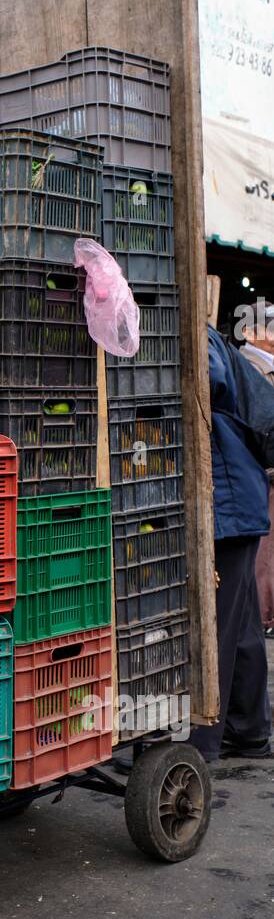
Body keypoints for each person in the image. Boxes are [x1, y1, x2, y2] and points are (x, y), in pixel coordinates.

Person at [188, 325, 274, 763]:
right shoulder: (208, 335)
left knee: (215, 624)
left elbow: (209, 382)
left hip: (227, 502)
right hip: (238, 498)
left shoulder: (194, 335)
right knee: (240, 624)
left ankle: (201, 742)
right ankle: (249, 730)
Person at [239, 304, 274, 633]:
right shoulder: (249, 366)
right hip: (263, 474)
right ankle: (262, 616)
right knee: (265, 549)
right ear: (249, 333)